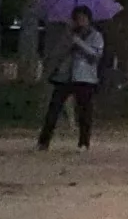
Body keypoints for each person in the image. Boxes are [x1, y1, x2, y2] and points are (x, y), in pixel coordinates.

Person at [38, 10, 108, 150]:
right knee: (54, 109)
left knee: (84, 112)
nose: (80, 22)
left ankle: (83, 142)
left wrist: (79, 42)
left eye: (83, 18)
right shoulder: (68, 34)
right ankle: (43, 142)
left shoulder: (96, 36)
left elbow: (95, 56)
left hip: (84, 77)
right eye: (77, 19)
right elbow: (57, 52)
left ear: (89, 20)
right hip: (65, 76)